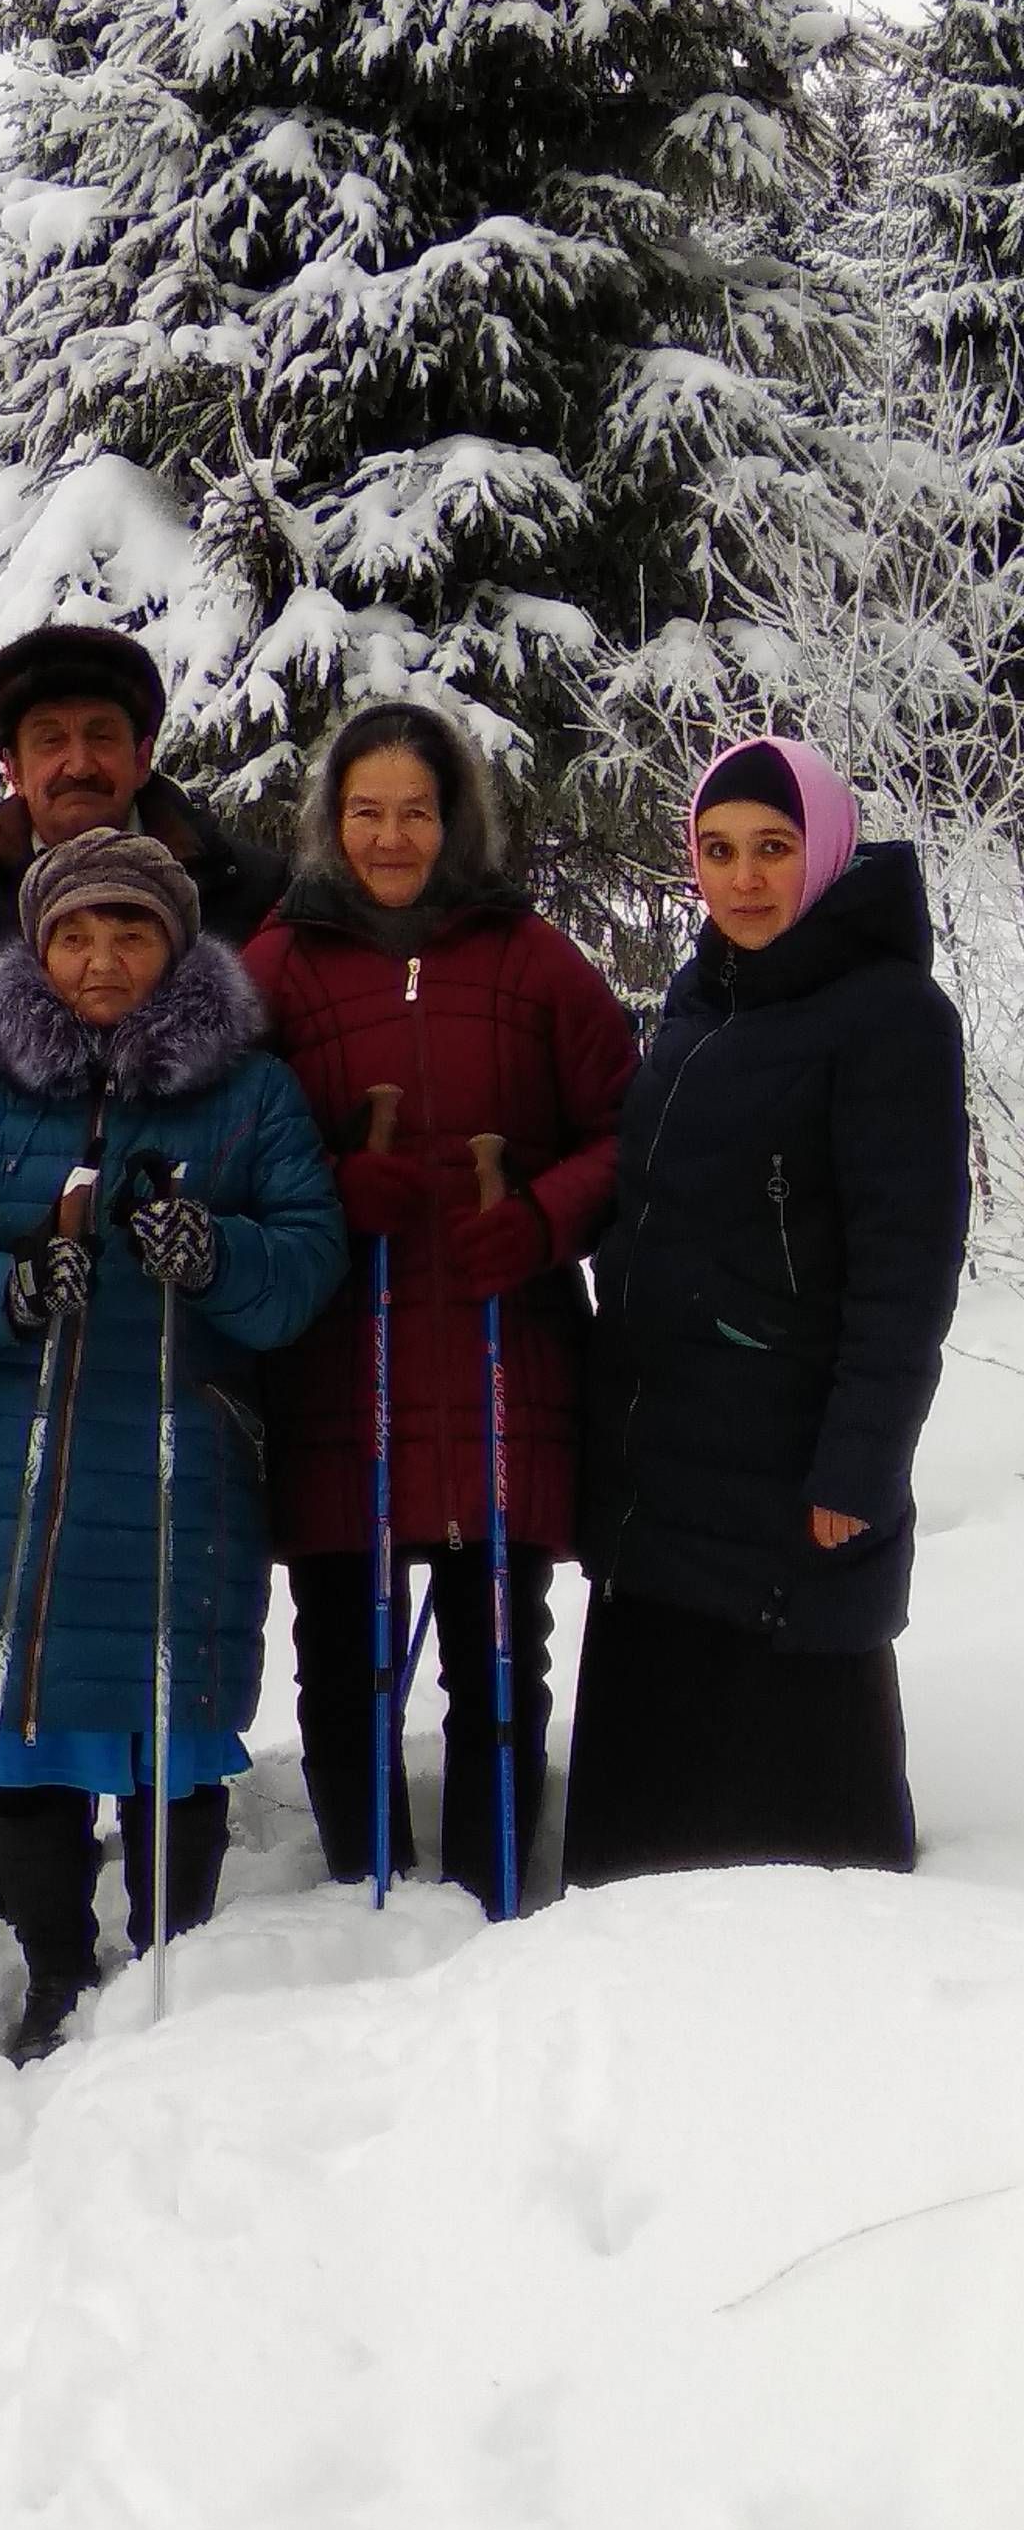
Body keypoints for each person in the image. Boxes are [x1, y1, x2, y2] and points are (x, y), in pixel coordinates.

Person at [0, 827, 347, 2060]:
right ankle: (54, 1973)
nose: (100, 957)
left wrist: (221, 1255)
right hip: (4, 1461)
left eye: (129, 931)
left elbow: (305, 1261)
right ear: (35, 948)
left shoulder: (249, 1092)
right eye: (74, 933)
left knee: (167, 1729)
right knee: (26, 1729)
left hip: (178, 1454)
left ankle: (165, 1968)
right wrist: (13, 1288)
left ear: (175, 945)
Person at [241, 703, 639, 1910]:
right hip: (335, 1361)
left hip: (497, 1354)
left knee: (498, 1650)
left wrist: (539, 1217)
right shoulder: (277, 965)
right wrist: (321, 1184)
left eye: (416, 811)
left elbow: (628, 1135)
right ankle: (364, 1891)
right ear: (330, 823)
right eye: (366, 812)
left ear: (455, 819)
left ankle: (491, 1894)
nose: (392, 837)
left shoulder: (533, 959)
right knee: (341, 1655)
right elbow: (222, 1142)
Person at [563, 736, 970, 1886]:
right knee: (646, 1864)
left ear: (827, 853)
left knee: (800, 1860)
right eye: (718, 851)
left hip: (791, 1473)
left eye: (774, 849)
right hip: (665, 1470)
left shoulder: (889, 1016)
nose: (743, 879)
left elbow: (907, 1270)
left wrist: (859, 1465)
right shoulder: (700, 1002)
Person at [0, 621, 289, 1040]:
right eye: (50, 741)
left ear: (141, 759)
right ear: (12, 768)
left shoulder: (251, 892)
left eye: (102, 737)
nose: (79, 765)